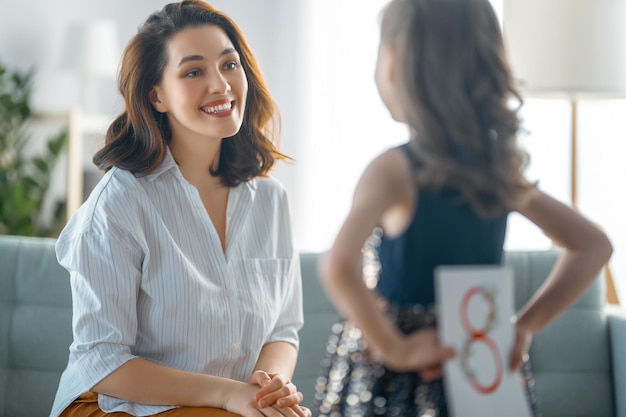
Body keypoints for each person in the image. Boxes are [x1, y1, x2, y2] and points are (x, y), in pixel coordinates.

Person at [314, 0, 613, 415]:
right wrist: (523, 327)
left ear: (399, 66)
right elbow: (594, 245)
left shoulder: (394, 170)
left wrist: (396, 349)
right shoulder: (497, 170)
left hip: (404, 381)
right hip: (482, 367)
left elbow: (337, 266)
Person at [49, 2, 310, 417]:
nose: (221, 85)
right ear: (156, 96)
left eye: (229, 65)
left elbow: (282, 330)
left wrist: (265, 391)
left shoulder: (271, 201)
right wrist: (228, 395)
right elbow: (102, 360)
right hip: (115, 406)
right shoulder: (119, 204)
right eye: (193, 71)